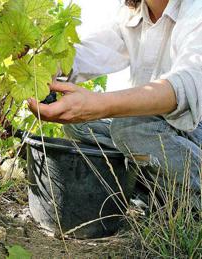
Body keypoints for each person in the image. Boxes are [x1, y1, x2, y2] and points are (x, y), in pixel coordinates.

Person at [28, 0, 202, 207]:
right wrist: (44, 68)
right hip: (159, 128)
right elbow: (90, 52)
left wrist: (100, 104)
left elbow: (189, 84)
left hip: (195, 126)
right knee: (79, 126)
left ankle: (190, 201)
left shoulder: (196, 9)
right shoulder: (131, 15)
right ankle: (157, 192)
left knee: (129, 129)